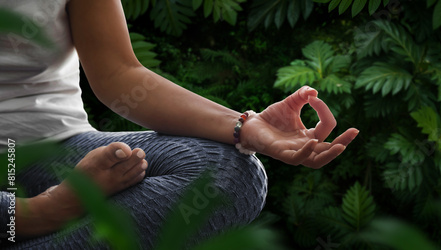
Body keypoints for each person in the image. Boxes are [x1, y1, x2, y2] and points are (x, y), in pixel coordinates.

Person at [0, 0, 359, 248]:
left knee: (228, 172)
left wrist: (244, 127)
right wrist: (45, 210)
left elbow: (118, 75)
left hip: (53, 146)